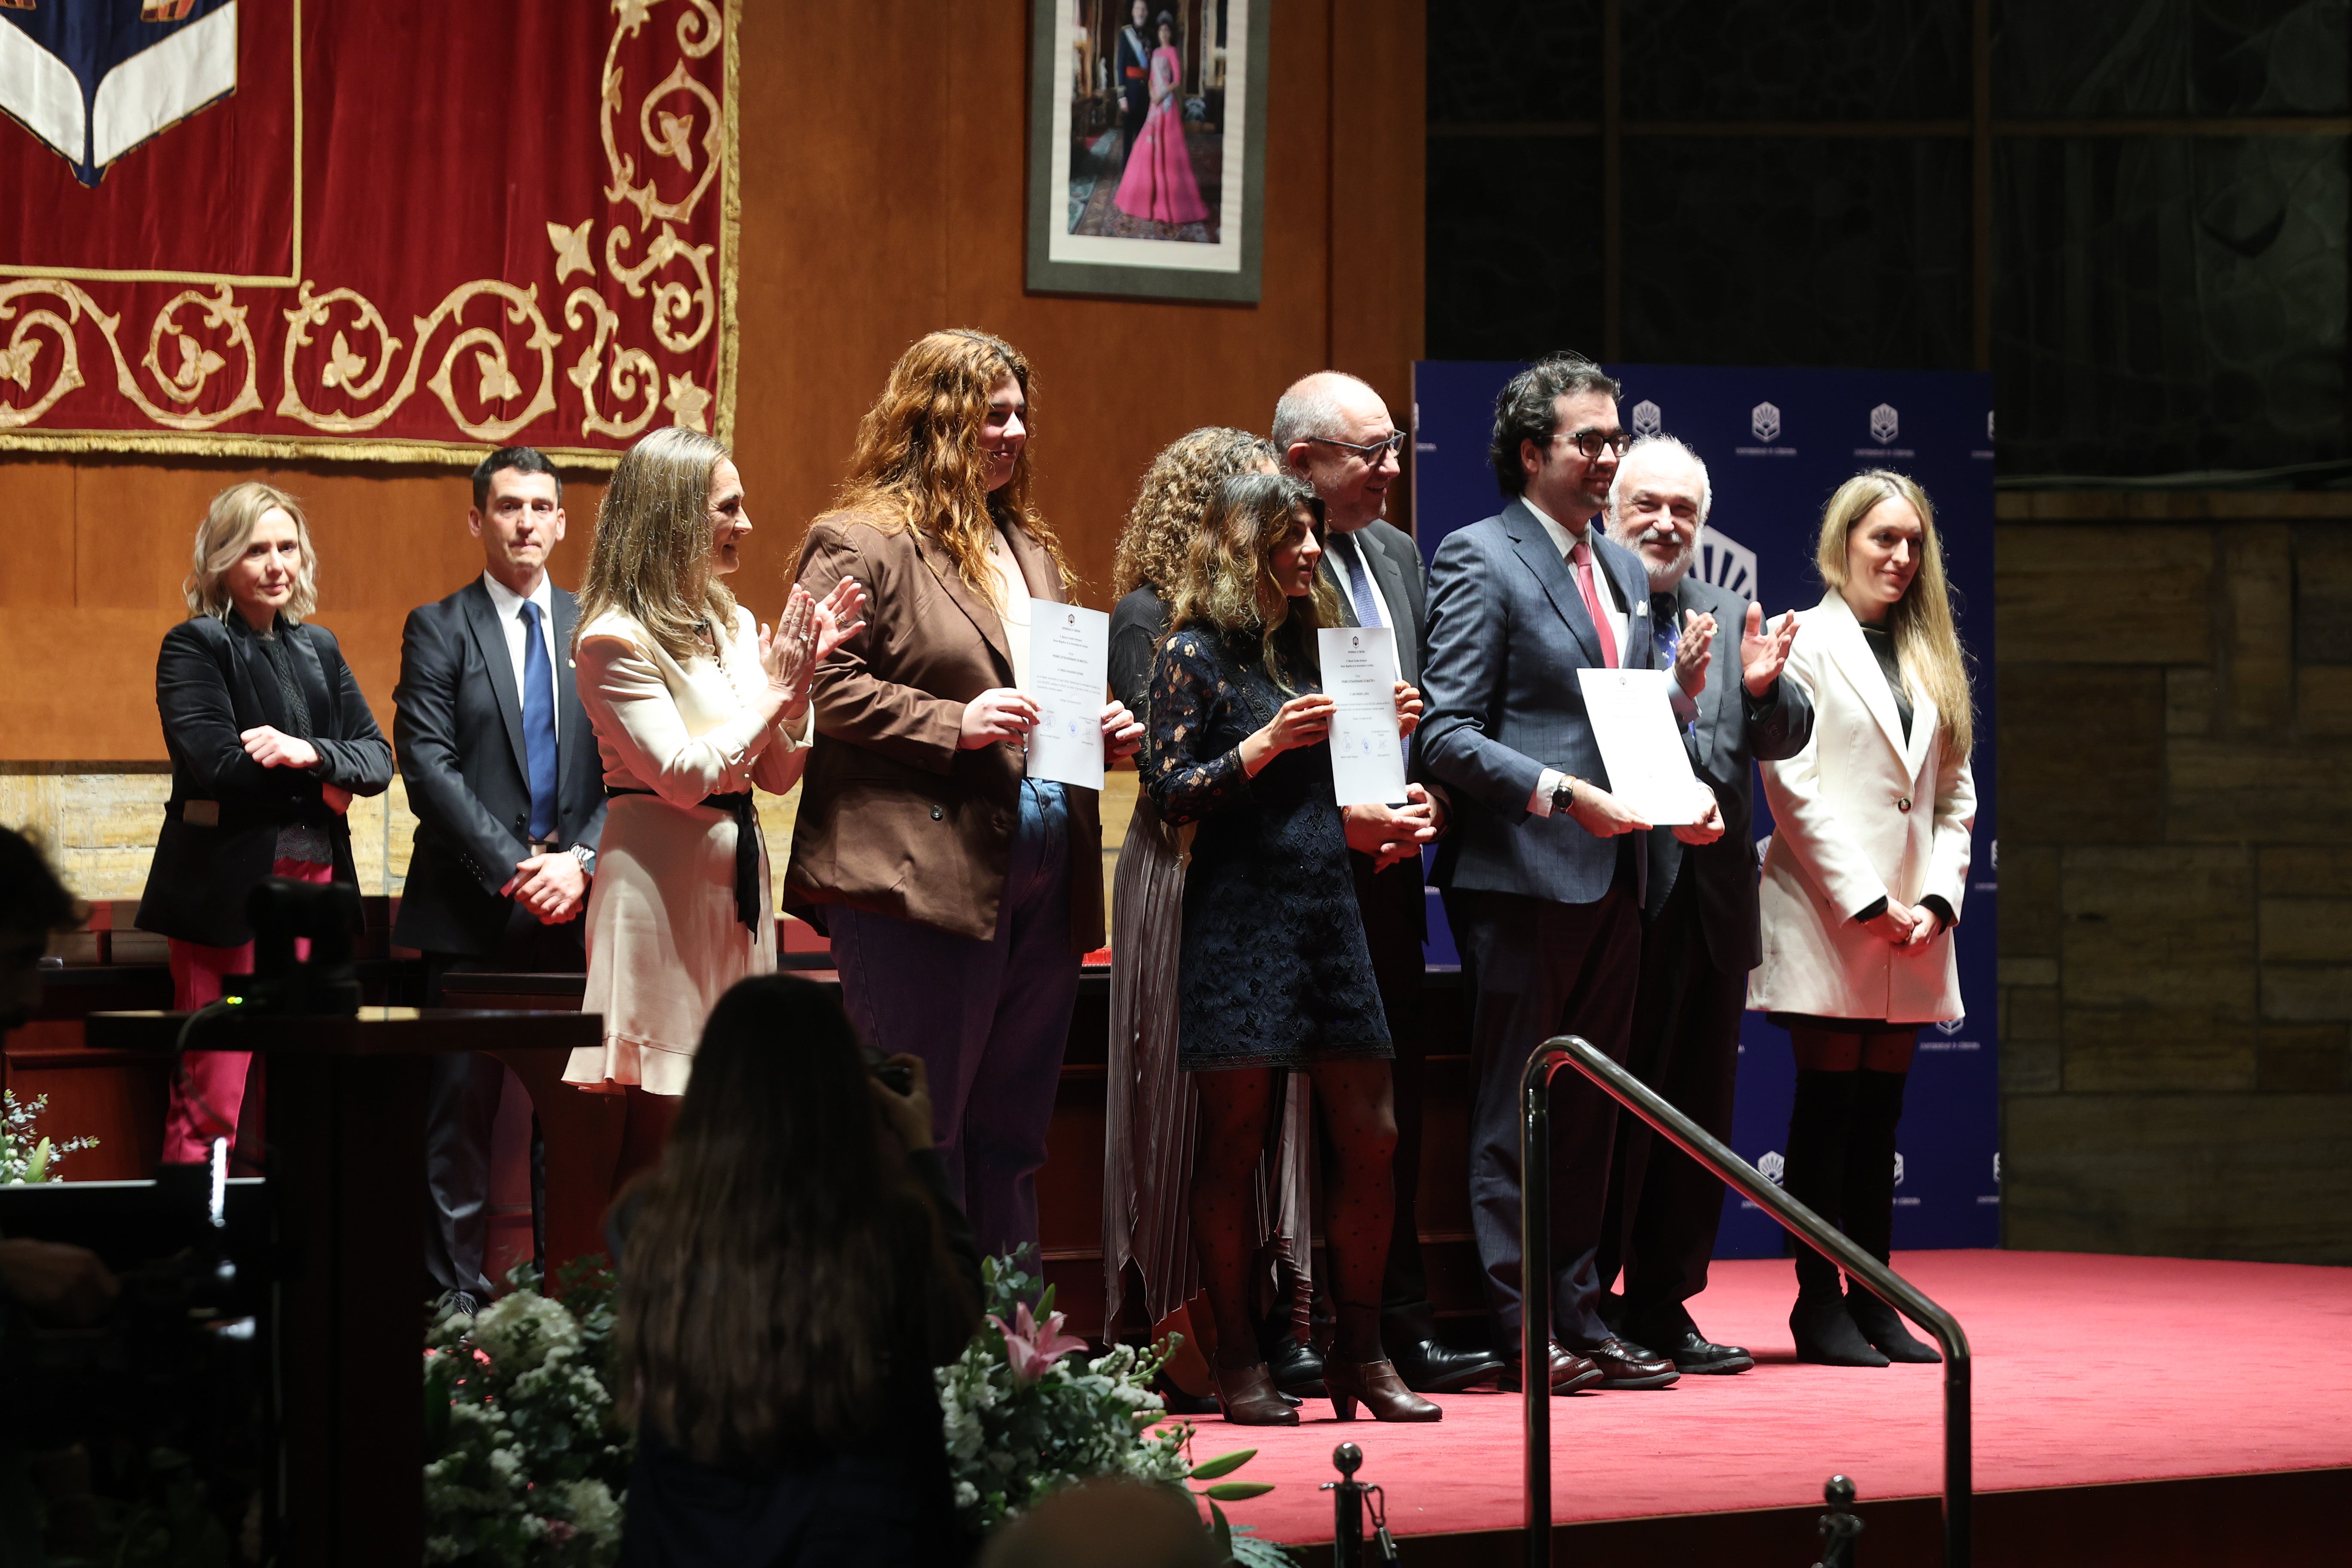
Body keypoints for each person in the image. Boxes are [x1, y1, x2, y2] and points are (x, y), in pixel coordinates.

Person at [787, 329, 1142, 1263]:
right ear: (934, 418)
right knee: (920, 1135)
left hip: (1045, 857)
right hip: (922, 871)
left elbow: (1039, 701)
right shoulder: (857, 540)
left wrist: (1093, 731)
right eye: (994, 414)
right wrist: (956, 723)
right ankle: (913, 1368)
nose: (1016, 431)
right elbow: (820, 684)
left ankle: (1010, 1376)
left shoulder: (1028, 548)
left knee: (1014, 1137)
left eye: (1023, 413)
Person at [1417, 355, 1719, 1395]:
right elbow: (1446, 735)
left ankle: (1581, 1320)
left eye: (1614, 438)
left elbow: (1628, 718)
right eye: (1589, 441)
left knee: (1592, 1110)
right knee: (1516, 1110)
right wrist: (1556, 792)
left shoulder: (1627, 572)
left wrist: (1682, 789)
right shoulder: (1476, 557)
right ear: (1531, 452)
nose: (1608, 457)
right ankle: (1520, 1331)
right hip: (1518, 877)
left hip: (1619, 875)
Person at [1142, 470, 1438, 1427]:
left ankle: (1361, 1348)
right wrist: (1264, 743)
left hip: (1328, 908)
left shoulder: (1318, 647)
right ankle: (1238, 1356)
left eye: (1314, 532)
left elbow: (1330, 798)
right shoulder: (1191, 651)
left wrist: (1389, 782)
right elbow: (1169, 792)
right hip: (1237, 914)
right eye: (1290, 535)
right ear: (1240, 545)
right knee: (1238, 1142)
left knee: (1375, 1133)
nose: (1311, 551)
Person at [1275, 371, 1503, 1396]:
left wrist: (1433, 806)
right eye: (1367, 453)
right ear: (1299, 466)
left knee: (1392, 1100)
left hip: (1391, 875)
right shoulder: (1264, 561)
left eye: (1392, 446)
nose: (1390, 468)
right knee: (1304, 1112)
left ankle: (1395, 1319)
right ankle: (1299, 1321)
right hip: (1294, 872)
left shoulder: (1399, 555)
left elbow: (1432, 724)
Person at [562, 428, 864, 1181]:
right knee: (665, 1121)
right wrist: (772, 691)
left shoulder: (727, 620)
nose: (747, 524)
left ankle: (713, 1292)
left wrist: (797, 692)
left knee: (730, 1113)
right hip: (657, 891)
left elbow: (781, 772)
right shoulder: (613, 639)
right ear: (671, 516)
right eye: (728, 507)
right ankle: (632, 1295)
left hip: (733, 893)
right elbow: (683, 773)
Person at [611, 974, 980, 1567]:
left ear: (711, 1087)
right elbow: (953, 1325)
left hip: (687, 1535)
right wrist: (919, 1151)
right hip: (864, 1534)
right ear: (843, 1087)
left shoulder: (646, 1221)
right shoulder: (887, 1220)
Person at [1593, 435, 1810, 1375]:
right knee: (1605, 1117)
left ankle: (1664, 1302)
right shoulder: (1590, 609)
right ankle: (1583, 1304)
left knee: (1692, 1118)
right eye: (1646, 504)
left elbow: (1784, 732)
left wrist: (1764, 691)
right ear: (1610, 510)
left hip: (1711, 909)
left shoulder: (1730, 614)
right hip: (1611, 899)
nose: (1666, 522)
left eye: (1684, 508)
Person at [1750, 469, 1975, 1368]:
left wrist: (1939, 902)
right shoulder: (1804, 642)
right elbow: (1791, 787)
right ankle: (1817, 1304)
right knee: (1827, 1109)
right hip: (1829, 912)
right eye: (1884, 538)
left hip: (1918, 926)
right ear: (1842, 543)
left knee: (1880, 1118)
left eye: (1914, 542)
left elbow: (1955, 798)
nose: (1901, 556)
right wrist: (1872, 903)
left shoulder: (1931, 651)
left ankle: (1879, 1301)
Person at [395, 446, 610, 1314]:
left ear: (562, 522)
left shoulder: (599, 628)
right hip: (470, 912)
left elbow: (627, 768)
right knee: (457, 1123)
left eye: (542, 507)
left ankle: (573, 1301)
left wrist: (581, 863)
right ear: (477, 519)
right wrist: (519, 868)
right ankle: (454, 1310)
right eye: (508, 506)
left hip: (576, 913)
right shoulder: (438, 627)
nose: (526, 522)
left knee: (579, 1126)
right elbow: (426, 764)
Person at [1102, 427, 1300, 1348]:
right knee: (1182, 1098)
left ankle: (1261, 1313)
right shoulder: (1153, 618)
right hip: (1182, 869)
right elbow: (1169, 778)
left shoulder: (1282, 628)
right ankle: (1176, 1323)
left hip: (1263, 873)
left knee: (1256, 1105)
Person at [135, 482, 393, 1170]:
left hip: (315, 900)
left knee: (299, 1098)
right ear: (222, 560)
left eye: (287, 547)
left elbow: (378, 758)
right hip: (232, 900)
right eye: (256, 550)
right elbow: (222, 766)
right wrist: (327, 786)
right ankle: (201, 1257)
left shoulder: (321, 647)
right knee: (213, 1097)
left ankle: (278, 1259)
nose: (277, 564)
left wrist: (312, 753)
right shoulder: (195, 646)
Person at [1111, 11, 1211, 227]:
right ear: (1158, 33)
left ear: (1170, 34)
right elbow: (1151, 78)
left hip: (1166, 106)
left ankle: (1170, 198)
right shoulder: (1155, 52)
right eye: (1161, 30)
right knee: (1146, 147)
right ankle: (1142, 196)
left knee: (1168, 149)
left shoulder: (1172, 52)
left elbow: (1177, 80)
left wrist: (1162, 94)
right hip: (1154, 104)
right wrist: (1151, 93)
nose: (1164, 34)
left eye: (1167, 31)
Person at [1114, 0, 1153, 171]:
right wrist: (1122, 96)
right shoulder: (1125, 34)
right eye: (1138, 9)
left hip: (1147, 93)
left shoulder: (1151, 35)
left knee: (1145, 135)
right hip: (1130, 91)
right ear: (1133, 12)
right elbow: (1120, 65)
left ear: (1147, 13)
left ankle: (1142, 173)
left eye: (1144, 9)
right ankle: (1127, 173)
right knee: (1129, 136)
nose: (1141, 12)